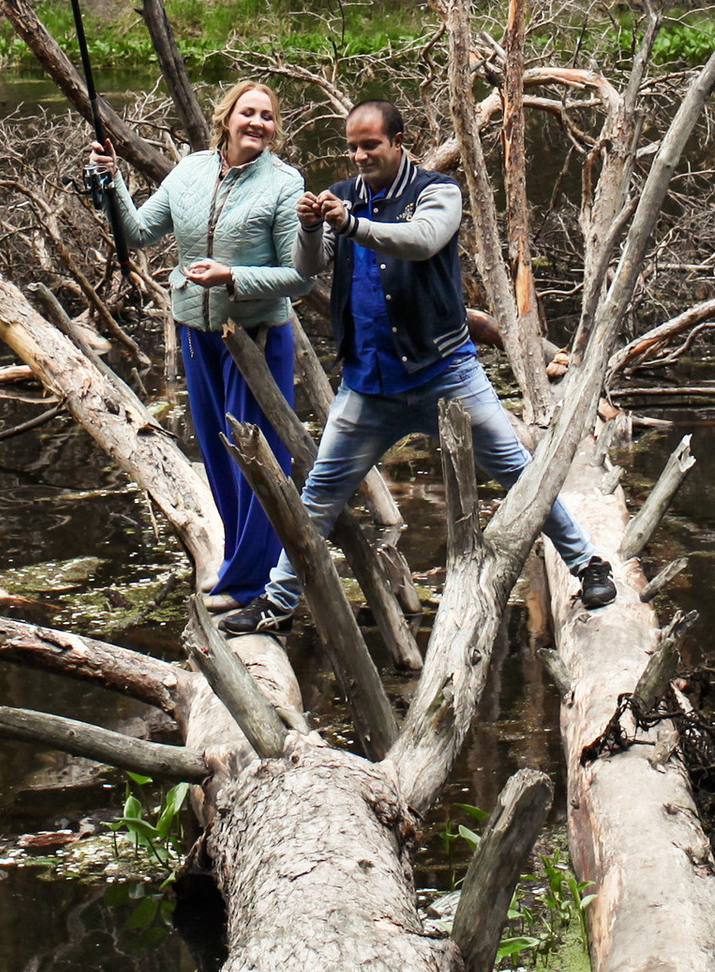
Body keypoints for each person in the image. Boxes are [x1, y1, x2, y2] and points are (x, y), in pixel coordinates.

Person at [221, 98, 618, 637]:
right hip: (368, 385)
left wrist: (354, 226)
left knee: (516, 473)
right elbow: (305, 269)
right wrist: (312, 228)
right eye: (353, 147)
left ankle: (587, 564)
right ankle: (276, 605)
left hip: (446, 375)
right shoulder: (341, 197)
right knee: (316, 498)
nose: (359, 156)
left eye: (371, 145)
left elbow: (422, 241)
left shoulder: (438, 191)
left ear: (398, 142)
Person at [89, 80, 314, 606]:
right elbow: (139, 232)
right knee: (217, 456)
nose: (258, 123)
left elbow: (299, 277)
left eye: (267, 116)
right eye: (248, 113)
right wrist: (111, 182)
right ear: (226, 118)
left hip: (254, 339)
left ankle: (249, 583)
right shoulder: (189, 171)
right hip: (197, 332)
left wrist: (233, 276)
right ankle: (239, 559)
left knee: (257, 459)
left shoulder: (284, 183)